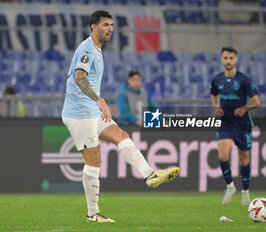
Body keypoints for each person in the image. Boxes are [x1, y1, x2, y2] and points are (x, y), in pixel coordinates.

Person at [61, 10, 179, 223]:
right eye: (105, 25)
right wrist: (99, 100)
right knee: (94, 159)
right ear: (93, 27)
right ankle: (92, 213)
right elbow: (80, 78)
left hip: (91, 110)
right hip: (79, 113)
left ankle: (149, 174)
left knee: (121, 135)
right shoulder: (87, 48)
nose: (110, 29)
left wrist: (96, 103)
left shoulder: (97, 49)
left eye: (112, 25)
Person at [210, 46, 260, 206]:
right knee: (223, 156)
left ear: (236, 59)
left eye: (231, 58)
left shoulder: (244, 80)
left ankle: (245, 191)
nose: (228, 61)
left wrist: (244, 108)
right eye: (225, 58)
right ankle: (230, 186)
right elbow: (213, 94)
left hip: (242, 123)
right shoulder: (217, 79)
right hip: (225, 122)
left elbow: (257, 102)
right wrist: (216, 107)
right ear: (221, 59)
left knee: (243, 160)